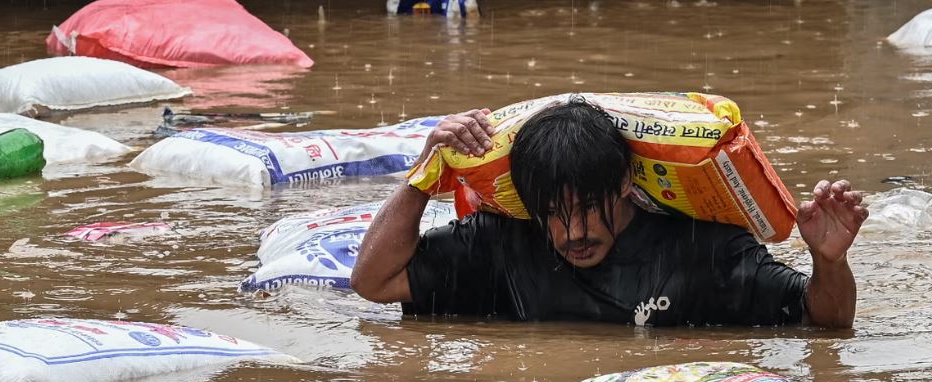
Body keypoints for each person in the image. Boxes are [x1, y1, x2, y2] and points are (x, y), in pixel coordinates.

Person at [350, 98, 867, 329]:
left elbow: (826, 322)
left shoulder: (702, 251)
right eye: (553, 213)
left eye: (586, 208)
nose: (573, 232)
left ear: (624, 184)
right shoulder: (501, 244)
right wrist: (424, 171)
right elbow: (374, 281)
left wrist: (828, 261)